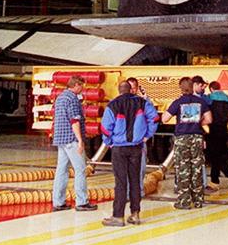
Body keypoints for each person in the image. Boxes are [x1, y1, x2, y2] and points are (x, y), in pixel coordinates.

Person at [100, 80, 158, 226]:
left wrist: (109, 142)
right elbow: (155, 118)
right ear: (131, 90)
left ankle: (118, 216)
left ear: (119, 90)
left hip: (119, 148)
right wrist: (147, 135)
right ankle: (135, 214)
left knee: (121, 182)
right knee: (135, 181)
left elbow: (106, 128)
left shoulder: (113, 105)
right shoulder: (142, 103)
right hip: (136, 147)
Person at [164, 76, 212, 209]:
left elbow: (165, 119)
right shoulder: (200, 102)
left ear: (181, 88)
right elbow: (209, 119)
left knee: (183, 170)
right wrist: (198, 122)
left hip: (182, 138)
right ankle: (198, 200)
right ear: (192, 87)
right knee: (196, 168)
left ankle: (184, 201)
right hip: (197, 137)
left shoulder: (178, 102)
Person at [52, 75, 97, 211]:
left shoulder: (60, 97)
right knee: (80, 169)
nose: (82, 89)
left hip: (61, 138)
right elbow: (74, 121)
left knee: (61, 170)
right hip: (72, 139)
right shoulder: (72, 99)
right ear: (76, 85)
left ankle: (58, 202)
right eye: (81, 86)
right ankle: (82, 202)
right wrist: (80, 141)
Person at [206, 81, 228, 185]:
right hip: (224, 129)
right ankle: (214, 181)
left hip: (214, 130)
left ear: (211, 89)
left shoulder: (209, 98)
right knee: (218, 155)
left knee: (214, 155)